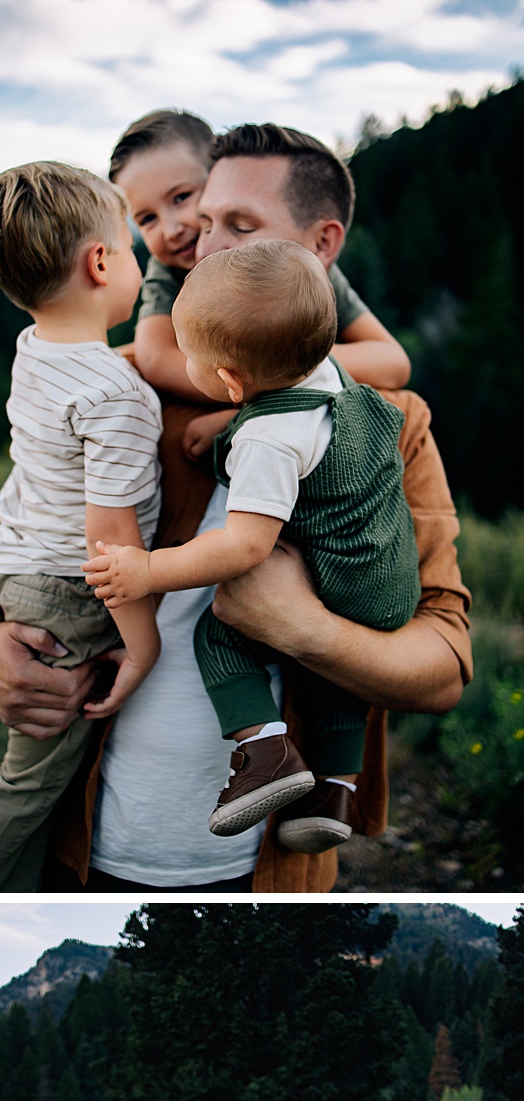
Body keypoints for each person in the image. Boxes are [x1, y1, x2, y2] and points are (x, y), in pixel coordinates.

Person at [0, 122, 470, 893]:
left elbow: (445, 668)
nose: (199, 246)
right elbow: (4, 527)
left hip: (266, 870)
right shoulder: (123, 382)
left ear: (322, 247)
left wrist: (305, 628)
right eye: (199, 223)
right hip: (87, 840)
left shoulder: (394, 423)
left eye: (240, 227)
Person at [86, 240, 421, 850]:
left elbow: (244, 546)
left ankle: (265, 752)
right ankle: (337, 789)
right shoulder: (326, 372)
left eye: (190, 358)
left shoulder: (266, 443)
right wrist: (229, 421)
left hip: (338, 578)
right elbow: (294, 415)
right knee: (332, 681)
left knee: (219, 633)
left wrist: (150, 569)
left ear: (230, 382)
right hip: (390, 578)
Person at [0, 161, 163, 891]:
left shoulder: (36, 354)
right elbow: (109, 541)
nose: (139, 261)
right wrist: (143, 644)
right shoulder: (115, 391)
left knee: (36, 799)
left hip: (7, 573)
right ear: (101, 262)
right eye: (131, 246)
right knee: (20, 796)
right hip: (64, 595)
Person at [108, 111, 409, 405]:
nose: (173, 230)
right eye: (147, 218)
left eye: (181, 198)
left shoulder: (299, 269)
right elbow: (156, 358)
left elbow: (393, 362)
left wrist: (274, 371)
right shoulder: (169, 270)